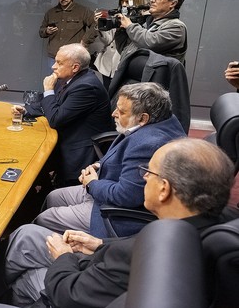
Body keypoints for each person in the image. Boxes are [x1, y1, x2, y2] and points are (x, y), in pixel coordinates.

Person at [3, 138, 234, 308]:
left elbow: (70, 295)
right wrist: (99, 243)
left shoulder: (138, 256)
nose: (143, 178)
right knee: (27, 234)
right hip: (98, 271)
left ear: (164, 189)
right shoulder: (223, 221)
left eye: (148, 172)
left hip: (74, 292)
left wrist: (63, 257)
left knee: (23, 280)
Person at [34, 83, 186, 238]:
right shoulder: (163, 120)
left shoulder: (148, 145)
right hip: (106, 183)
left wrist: (92, 183)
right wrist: (100, 165)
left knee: (44, 218)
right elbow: (126, 157)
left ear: (143, 118)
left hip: (113, 212)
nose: (113, 114)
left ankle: (56, 252)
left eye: (121, 112)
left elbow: (126, 196)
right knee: (53, 196)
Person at [14, 43, 113, 186]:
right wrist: (26, 110)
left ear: (75, 67)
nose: (53, 67)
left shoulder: (86, 87)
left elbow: (55, 119)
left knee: (30, 158)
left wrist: (48, 89)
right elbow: (52, 102)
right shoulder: (71, 78)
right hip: (66, 136)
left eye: (59, 63)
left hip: (79, 150)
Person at [89, 0, 146, 88]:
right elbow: (108, 40)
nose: (124, 4)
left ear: (136, 1)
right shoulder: (117, 14)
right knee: (108, 97)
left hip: (125, 66)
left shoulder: (145, 18)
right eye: (122, 0)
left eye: (127, 1)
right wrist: (100, 25)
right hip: (107, 65)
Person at [117, 0, 187, 63]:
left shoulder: (177, 27)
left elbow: (149, 43)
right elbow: (125, 50)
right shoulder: (146, 22)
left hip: (154, 75)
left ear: (173, 3)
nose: (152, 0)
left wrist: (129, 26)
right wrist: (120, 31)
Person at [39, 0, 96, 67]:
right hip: (54, 57)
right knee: (53, 80)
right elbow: (41, 31)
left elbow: (96, 25)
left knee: (74, 81)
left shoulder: (83, 11)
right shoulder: (50, 13)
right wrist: (46, 31)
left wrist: (85, 41)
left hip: (74, 57)